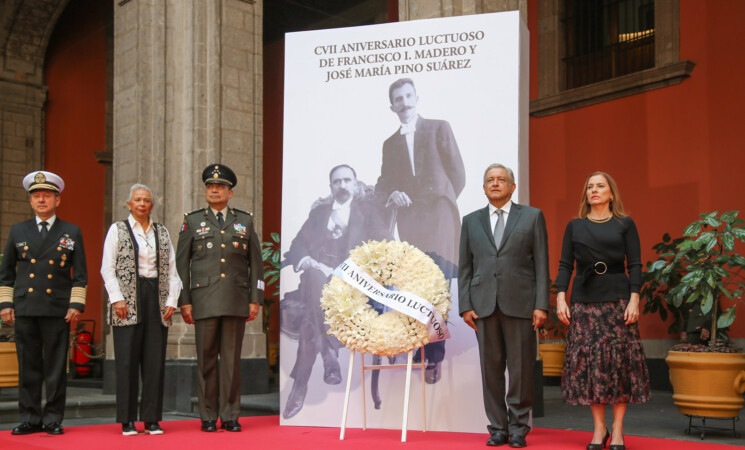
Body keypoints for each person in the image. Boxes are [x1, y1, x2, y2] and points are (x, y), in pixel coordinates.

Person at [375, 77, 466, 383]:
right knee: (416, 286)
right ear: (392, 106)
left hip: (438, 215)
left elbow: (458, 174)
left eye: (408, 96)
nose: (404, 102)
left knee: (437, 283)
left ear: (417, 97)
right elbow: (385, 182)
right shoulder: (390, 143)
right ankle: (420, 344)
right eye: (398, 99)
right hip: (411, 220)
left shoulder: (439, 127)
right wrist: (392, 194)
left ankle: (433, 355)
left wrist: (440, 197)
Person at [281, 164, 390, 419]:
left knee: (311, 317)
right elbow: (297, 244)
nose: (342, 185)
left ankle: (300, 384)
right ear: (331, 187)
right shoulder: (319, 213)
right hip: (317, 278)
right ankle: (330, 353)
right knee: (313, 276)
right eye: (337, 182)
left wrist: (356, 267)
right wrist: (305, 260)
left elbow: (385, 243)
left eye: (347, 180)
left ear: (354, 184)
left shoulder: (369, 212)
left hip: (352, 285)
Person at [555, 172, 650, 450]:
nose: (594, 190)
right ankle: (599, 429)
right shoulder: (575, 226)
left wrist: (635, 299)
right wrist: (562, 298)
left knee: (619, 364)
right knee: (592, 366)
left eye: (600, 186)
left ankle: (618, 430)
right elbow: (564, 265)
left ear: (611, 194)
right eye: (590, 187)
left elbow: (635, 264)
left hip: (618, 301)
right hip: (585, 301)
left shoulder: (625, 224)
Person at [458, 164, 549, 448]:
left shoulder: (532, 217)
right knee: (491, 370)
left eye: (501, 180)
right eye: (490, 180)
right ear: (484, 188)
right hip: (483, 306)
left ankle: (519, 428)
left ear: (512, 186)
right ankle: (498, 427)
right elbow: (465, 266)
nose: (495, 184)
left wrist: (541, 305)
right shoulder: (471, 221)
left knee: (521, 370)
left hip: (521, 304)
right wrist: (465, 305)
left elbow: (542, 264)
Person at [176, 163, 264, 433]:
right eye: (210, 187)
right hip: (203, 301)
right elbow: (181, 266)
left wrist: (255, 299)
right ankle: (207, 415)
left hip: (236, 300)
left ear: (230, 192)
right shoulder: (192, 221)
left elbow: (256, 265)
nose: (214, 190)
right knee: (206, 361)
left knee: (231, 362)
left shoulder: (245, 220)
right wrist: (185, 301)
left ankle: (229, 415)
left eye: (220, 187)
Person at [0, 171, 87, 436]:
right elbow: (6, 273)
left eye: (47, 196)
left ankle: (52, 419)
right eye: (36, 196)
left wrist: (75, 305)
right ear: (30, 201)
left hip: (57, 309)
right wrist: (6, 304)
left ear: (57, 200)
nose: (41, 200)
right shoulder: (19, 231)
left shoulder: (71, 231)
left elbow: (80, 275)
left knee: (55, 367)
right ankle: (29, 418)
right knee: (28, 366)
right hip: (26, 308)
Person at [100, 184, 182, 435]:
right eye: (137, 200)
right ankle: (126, 420)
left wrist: (171, 300)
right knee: (126, 362)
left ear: (152, 205)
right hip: (126, 302)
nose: (142, 204)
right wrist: (117, 299)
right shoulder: (118, 229)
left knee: (154, 361)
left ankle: (151, 419)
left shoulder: (162, 231)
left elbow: (172, 270)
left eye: (147, 200)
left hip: (156, 299)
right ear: (129, 204)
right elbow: (107, 268)